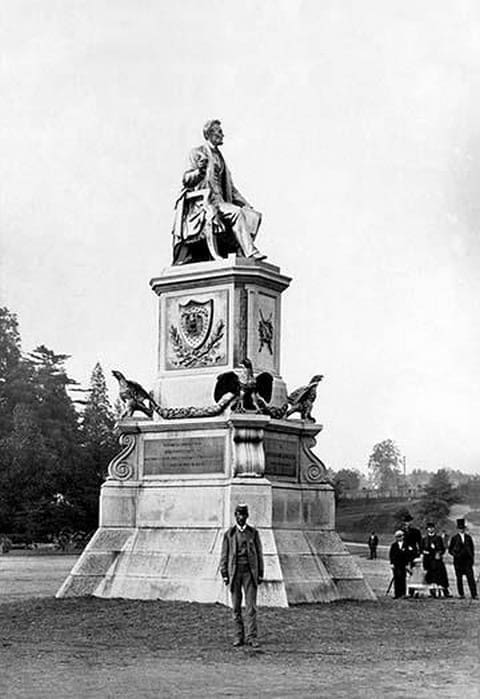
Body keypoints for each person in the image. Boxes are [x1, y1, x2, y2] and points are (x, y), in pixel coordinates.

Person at [172, 120, 265, 264]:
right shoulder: (197, 153)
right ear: (210, 134)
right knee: (236, 213)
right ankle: (250, 252)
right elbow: (186, 180)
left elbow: (231, 189)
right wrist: (199, 171)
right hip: (204, 203)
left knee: (253, 216)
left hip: (221, 201)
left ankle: (241, 250)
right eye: (219, 132)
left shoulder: (220, 157)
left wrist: (247, 204)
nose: (222, 135)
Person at [220, 503, 264, 648]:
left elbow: (259, 554)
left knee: (251, 607)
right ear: (235, 516)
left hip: (249, 573)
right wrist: (225, 573)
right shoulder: (229, 534)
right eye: (239, 515)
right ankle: (238, 636)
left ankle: (252, 637)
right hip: (235, 573)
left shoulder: (253, 533)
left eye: (244, 515)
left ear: (247, 516)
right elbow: (224, 555)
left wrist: (260, 573)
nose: (241, 518)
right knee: (236, 607)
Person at [448, 518, 477, 599]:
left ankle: (474, 594)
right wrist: (455, 555)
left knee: (471, 578)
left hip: (467, 561)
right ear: (458, 529)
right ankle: (461, 594)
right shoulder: (454, 538)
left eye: (463, 528)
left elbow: (472, 549)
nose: (461, 530)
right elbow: (450, 550)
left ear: (464, 529)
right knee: (459, 579)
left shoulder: (468, 538)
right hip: (458, 562)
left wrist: (472, 559)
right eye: (460, 528)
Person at [421, 522, 450, 597]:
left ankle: (445, 591)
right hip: (428, 560)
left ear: (434, 529)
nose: (430, 529)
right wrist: (424, 552)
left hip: (437, 560)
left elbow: (443, 549)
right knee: (430, 576)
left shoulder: (438, 538)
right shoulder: (424, 539)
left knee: (441, 575)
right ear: (427, 529)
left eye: (432, 528)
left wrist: (439, 553)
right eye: (429, 528)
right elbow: (421, 549)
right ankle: (432, 591)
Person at [389, 530, 413, 598]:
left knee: (403, 578)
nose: (399, 538)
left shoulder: (406, 545)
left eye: (400, 536)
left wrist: (407, 563)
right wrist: (392, 563)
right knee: (396, 579)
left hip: (403, 564)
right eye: (398, 537)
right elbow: (391, 555)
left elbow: (408, 554)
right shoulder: (394, 545)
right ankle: (397, 594)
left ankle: (403, 593)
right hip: (396, 565)